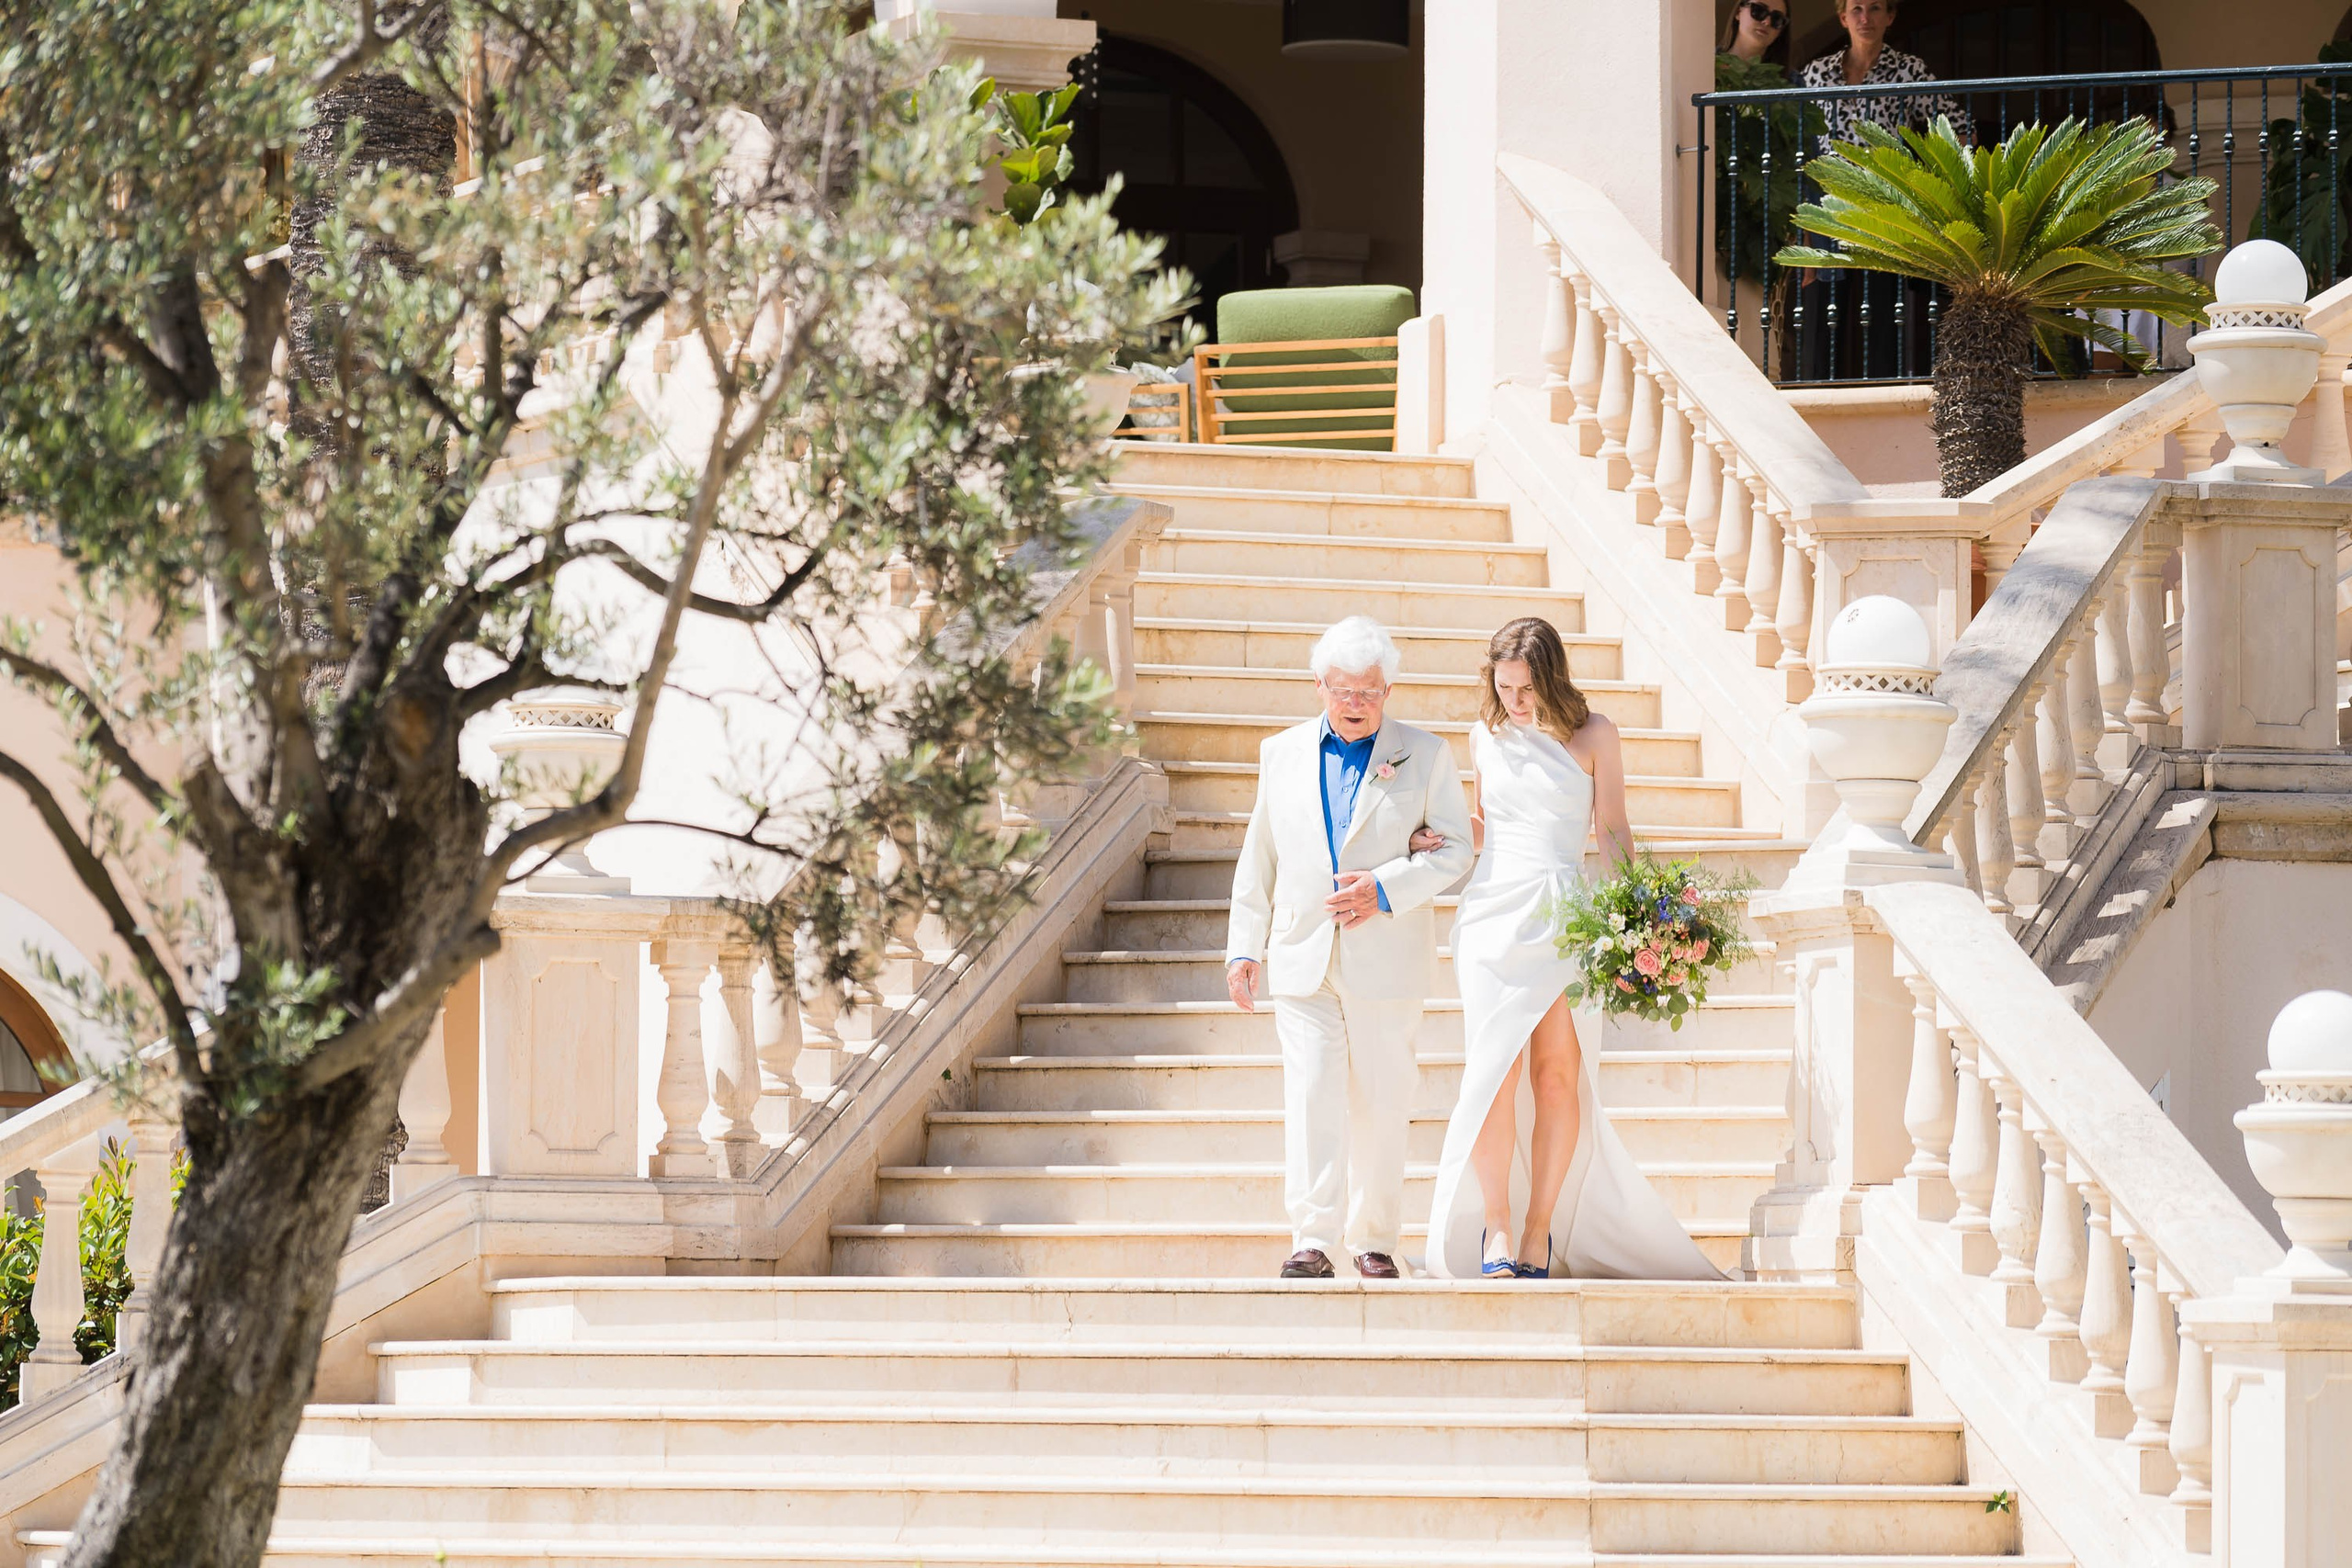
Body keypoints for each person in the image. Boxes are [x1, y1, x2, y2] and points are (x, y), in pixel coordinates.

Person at [1416, 617, 1721, 1282]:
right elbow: (1487, 824)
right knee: (1493, 1074)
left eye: (1527, 688)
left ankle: (1537, 1229)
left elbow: (1611, 827)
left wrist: (1641, 917)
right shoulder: (1482, 735)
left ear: (1551, 678)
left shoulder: (1596, 735)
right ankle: (1495, 1223)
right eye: (1505, 687)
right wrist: (1434, 834)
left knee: (1555, 1074)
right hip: (1492, 914)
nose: (1516, 701)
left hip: (1565, 916)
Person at [1225, 616, 1474, 1281]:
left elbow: (1456, 846)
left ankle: (1375, 1240)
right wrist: (1243, 947)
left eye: (1369, 690)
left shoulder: (1427, 754)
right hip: (1302, 955)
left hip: (1386, 957)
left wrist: (1386, 887)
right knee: (1310, 1096)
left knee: (1384, 1101)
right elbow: (1261, 856)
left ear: (1387, 690)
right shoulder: (1280, 753)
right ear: (1320, 687)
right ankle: (1312, 1236)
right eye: (1343, 690)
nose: (1356, 702)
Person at [1717, 0, 1789, 72]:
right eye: (1758, 10)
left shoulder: (1793, 81)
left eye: (1777, 19)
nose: (1767, 22)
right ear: (1738, 12)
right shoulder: (1708, 64)